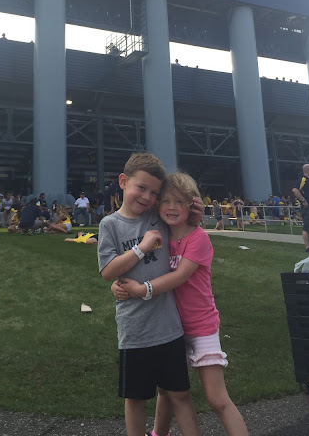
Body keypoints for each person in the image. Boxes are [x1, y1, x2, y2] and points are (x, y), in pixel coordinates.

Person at [115, 172, 248, 436]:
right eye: (166, 201)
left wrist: (142, 290)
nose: (172, 207)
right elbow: (140, 265)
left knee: (217, 399)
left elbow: (180, 276)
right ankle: (158, 433)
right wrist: (117, 284)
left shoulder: (198, 238)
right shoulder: (160, 235)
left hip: (201, 327)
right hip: (170, 328)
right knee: (167, 390)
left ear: (191, 205)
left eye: (179, 202)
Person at [98, 152, 203, 436]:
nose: (147, 197)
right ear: (123, 181)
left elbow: (183, 215)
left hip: (169, 327)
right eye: (141, 187)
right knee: (136, 398)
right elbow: (107, 271)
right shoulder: (110, 225)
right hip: (135, 330)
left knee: (179, 393)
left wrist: (197, 210)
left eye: (154, 192)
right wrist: (141, 248)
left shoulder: (158, 218)